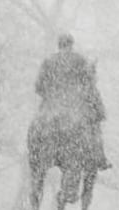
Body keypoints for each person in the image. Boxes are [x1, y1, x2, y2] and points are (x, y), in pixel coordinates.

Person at [34, 33, 110, 171]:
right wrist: (99, 111)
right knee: (94, 127)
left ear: (59, 45)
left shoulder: (48, 61)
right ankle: (100, 157)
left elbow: (38, 87)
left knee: (37, 125)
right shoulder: (80, 61)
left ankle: (35, 155)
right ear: (71, 44)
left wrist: (51, 94)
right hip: (73, 108)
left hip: (50, 108)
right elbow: (89, 86)